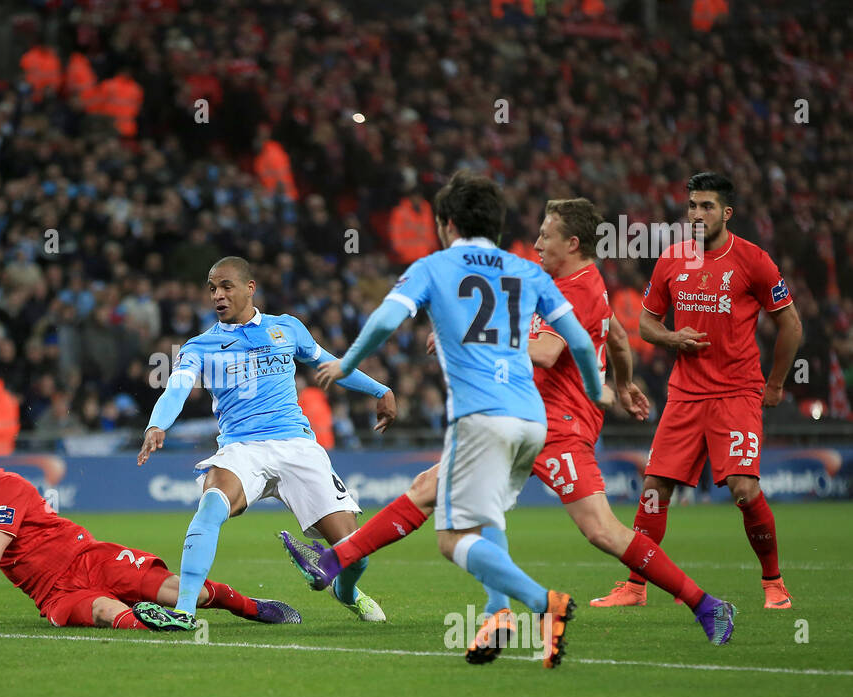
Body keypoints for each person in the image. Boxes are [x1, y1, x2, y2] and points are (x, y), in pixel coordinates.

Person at [284, 198, 739, 659]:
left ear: (573, 243)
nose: (537, 243)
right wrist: (620, 386)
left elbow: (544, 352)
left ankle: (705, 604)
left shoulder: (580, 288)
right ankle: (489, 614)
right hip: (525, 415)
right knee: (436, 492)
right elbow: (618, 336)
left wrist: (463, 334)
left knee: (601, 531)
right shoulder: (565, 283)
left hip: (555, 425)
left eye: (546, 235)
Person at [291, 170, 606, 669]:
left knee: (450, 539)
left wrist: (347, 364)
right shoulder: (527, 271)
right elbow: (584, 344)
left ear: (447, 223)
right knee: (485, 519)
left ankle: (546, 604)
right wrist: (595, 390)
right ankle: (498, 614)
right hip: (533, 421)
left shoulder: (435, 266)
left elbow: (385, 320)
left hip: (480, 419)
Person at [135, 256, 397, 630]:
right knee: (210, 506)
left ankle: (347, 591)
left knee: (356, 554)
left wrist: (379, 389)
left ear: (249, 288)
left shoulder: (286, 329)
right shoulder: (201, 345)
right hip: (242, 450)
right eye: (212, 289)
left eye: (226, 286)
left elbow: (330, 364)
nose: (218, 295)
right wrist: (156, 425)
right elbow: (176, 388)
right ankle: (184, 611)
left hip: (297, 446)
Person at [0, 432, 300, 631]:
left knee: (180, 588)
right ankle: (155, 622)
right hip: (53, 594)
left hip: (89, 558)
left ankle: (254, 607)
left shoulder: (7, 487)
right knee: (108, 612)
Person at [619, 171, 803, 610]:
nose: (697, 214)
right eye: (692, 206)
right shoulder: (671, 259)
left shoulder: (754, 261)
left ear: (726, 213)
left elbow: (791, 325)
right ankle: (633, 587)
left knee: (743, 488)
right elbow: (646, 324)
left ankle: (773, 583)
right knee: (653, 488)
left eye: (706, 207)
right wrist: (671, 339)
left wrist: (775, 383)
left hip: (737, 391)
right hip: (684, 393)